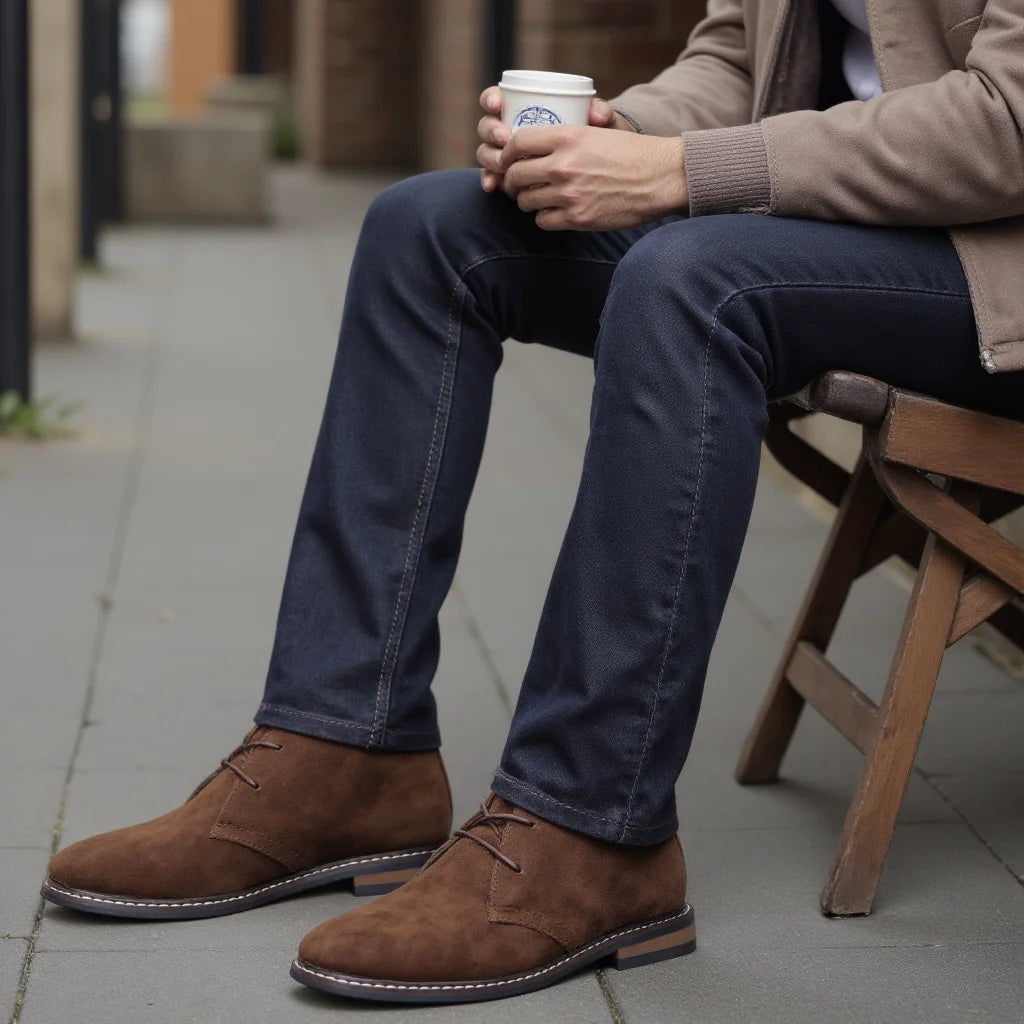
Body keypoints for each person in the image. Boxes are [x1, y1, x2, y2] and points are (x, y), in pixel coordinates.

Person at [42, 0, 1023, 1006]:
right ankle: (345, 750)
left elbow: (1007, 118)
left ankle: (595, 827)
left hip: (986, 265)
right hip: (816, 223)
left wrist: (687, 173)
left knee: (686, 281)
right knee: (427, 231)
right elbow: (733, 54)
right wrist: (618, 135)